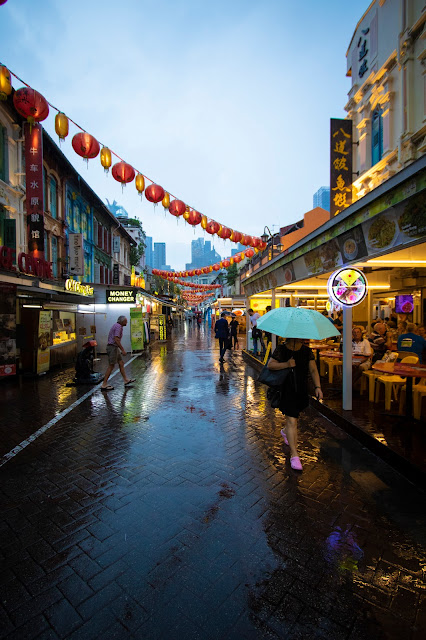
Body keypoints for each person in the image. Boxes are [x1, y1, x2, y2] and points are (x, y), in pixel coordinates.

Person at [267, 338, 323, 471]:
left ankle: (285, 432)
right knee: (292, 420)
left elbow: (313, 370)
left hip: (301, 390)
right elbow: (270, 364)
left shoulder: (306, 351)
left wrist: (317, 387)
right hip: (286, 390)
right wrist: (287, 364)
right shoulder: (281, 349)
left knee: (294, 418)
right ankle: (295, 455)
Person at [101, 315, 135, 391]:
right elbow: (116, 339)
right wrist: (122, 349)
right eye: (126, 321)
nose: (127, 322)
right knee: (111, 365)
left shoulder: (117, 326)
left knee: (121, 363)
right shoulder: (118, 327)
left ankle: (125, 380)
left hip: (114, 347)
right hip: (112, 347)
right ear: (122, 321)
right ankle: (104, 384)